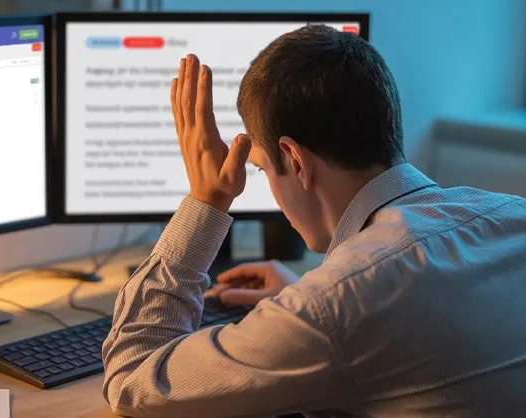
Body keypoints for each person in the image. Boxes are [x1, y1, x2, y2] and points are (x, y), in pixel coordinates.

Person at [101, 24, 526, 417]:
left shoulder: (333, 309)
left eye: (262, 168)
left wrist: (206, 200)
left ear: (295, 161)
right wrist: (299, 297)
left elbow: (133, 378)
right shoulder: (513, 215)